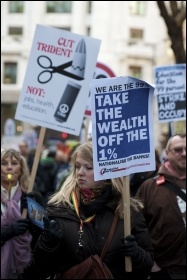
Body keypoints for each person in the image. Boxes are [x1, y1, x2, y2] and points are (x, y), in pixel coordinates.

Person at [23, 141, 154, 279]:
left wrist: (137, 254)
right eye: (77, 166)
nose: (80, 173)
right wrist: (47, 244)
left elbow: (147, 266)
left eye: (88, 167)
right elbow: (40, 269)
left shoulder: (127, 211)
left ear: (107, 171)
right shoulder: (59, 208)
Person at [136, 133, 186, 279]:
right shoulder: (149, 188)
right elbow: (136, 229)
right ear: (167, 153)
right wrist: (154, 268)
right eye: (178, 150)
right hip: (167, 271)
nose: (184, 154)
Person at [1, 148, 43, 279]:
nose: (9, 168)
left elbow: (42, 234)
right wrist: (7, 232)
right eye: (3, 163)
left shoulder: (32, 196)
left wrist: (34, 216)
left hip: (25, 269)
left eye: (14, 163)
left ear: (21, 169)